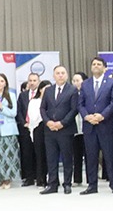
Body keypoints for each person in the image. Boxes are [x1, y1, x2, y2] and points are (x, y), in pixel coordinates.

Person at [79, 57, 113, 195]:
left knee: (110, 156)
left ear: (105, 67)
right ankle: (92, 185)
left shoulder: (112, 83)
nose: (96, 66)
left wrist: (101, 116)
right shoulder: (85, 84)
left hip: (107, 125)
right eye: (93, 64)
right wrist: (87, 116)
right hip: (89, 126)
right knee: (91, 157)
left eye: (99, 64)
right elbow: (80, 104)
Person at [40, 66, 79, 194]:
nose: (60, 75)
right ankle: (52, 184)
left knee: (67, 158)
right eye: (58, 73)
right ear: (53, 75)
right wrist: (48, 122)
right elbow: (42, 108)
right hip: (50, 130)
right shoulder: (48, 90)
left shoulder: (72, 90)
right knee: (51, 158)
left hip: (65, 130)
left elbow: (74, 110)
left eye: (63, 73)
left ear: (66, 75)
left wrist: (62, 123)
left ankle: (67, 184)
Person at [17, 72, 41, 186]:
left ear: (38, 82)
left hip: (38, 128)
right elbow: (19, 111)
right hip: (25, 128)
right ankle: (29, 177)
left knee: (38, 153)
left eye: (34, 80)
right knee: (26, 153)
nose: (32, 83)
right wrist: (23, 123)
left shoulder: (42, 94)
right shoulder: (23, 95)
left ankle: (39, 176)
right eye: (30, 80)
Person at [26, 79, 51, 188]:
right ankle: (41, 179)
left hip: (50, 128)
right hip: (38, 128)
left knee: (50, 155)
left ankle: (52, 178)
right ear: (40, 89)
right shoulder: (34, 101)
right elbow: (32, 117)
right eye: (46, 89)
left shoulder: (52, 100)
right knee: (40, 155)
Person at [70, 72, 86, 185]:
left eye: (78, 80)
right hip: (75, 129)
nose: (76, 83)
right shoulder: (71, 94)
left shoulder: (87, 93)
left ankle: (91, 179)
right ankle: (77, 179)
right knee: (76, 155)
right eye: (74, 81)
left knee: (90, 155)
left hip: (86, 127)